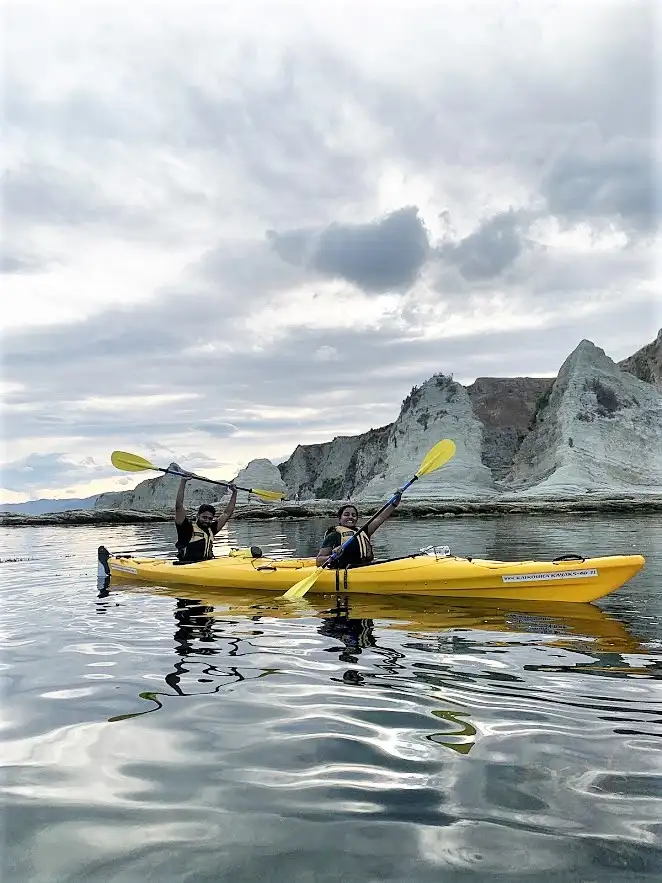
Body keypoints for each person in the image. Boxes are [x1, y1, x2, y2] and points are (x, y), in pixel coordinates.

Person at [171, 462, 238, 563]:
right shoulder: (187, 529)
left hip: (207, 565)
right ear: (198, 516)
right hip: (187, 566)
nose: (207, 521)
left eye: (210, 518)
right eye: (204, 517)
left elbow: (227, 514)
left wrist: (234, 493)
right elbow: (179, 506)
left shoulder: (211, 529)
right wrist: (183, 482)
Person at [315, 493, 402, 569]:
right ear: (339, 519)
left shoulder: (363, 531)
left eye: (354, 515)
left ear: (356, 518)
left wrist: (395, 503)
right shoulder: (334, 535)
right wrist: (332, 556)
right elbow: (318, 561)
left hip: (366, 567)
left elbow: (380, 518)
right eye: (346, 515)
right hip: (345, 570)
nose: (350, 517)